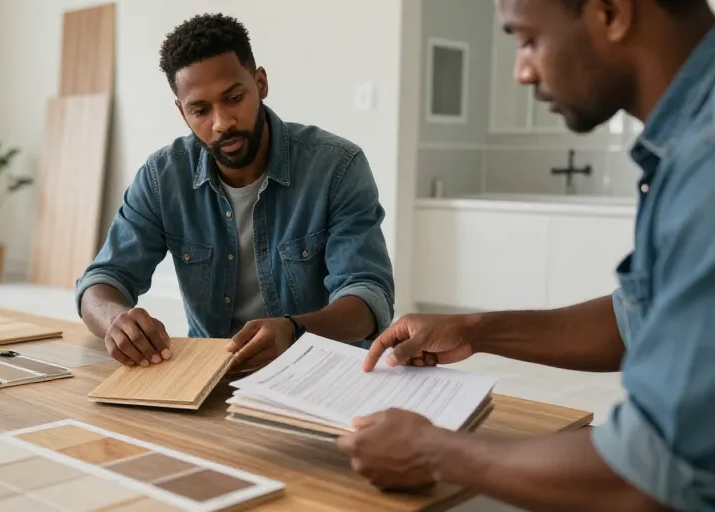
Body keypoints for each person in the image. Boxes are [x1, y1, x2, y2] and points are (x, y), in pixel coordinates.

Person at [336, 0, 715, 510]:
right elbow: (640, 319)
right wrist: (475, 329)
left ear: (611, 12)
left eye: (528, 39)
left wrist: (435, 451)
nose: (520, 71)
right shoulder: (687, 142)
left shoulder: (704, 166)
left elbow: (644, 476)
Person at [74, 13, 395, 370]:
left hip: (321, 368)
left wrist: (294, 329)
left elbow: (368, 297)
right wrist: (115, 321)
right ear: (182, 112)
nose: (222, 122)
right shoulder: (162, 178)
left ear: (260, 83)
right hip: (213, 373)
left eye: (234, 97)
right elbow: (102, 282)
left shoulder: (337, 166)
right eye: (200, 109)